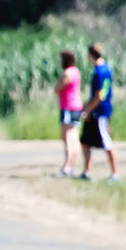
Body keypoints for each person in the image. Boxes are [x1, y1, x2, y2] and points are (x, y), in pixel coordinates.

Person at [79, 42, 120, 182]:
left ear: (91, 55)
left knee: (107, 142)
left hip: (100, 112)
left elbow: (99, 95)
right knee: (85, 141)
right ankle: (88, 171)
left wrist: (88, 110)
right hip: (99, 109)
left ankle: (115, 174)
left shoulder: (99, 72)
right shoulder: (106, 68)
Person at [53, 49, 83, 177]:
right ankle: (72, 165)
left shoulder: (67, 73)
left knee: (68, 137)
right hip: (76, 106)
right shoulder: (76, 71)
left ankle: (67, 166)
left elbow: (58, 88)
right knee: (74, 137)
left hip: (68, 107)